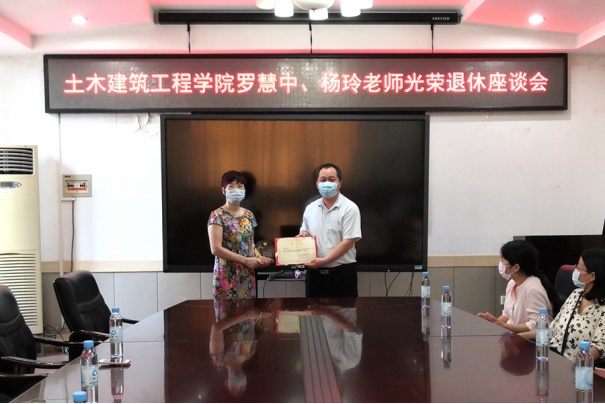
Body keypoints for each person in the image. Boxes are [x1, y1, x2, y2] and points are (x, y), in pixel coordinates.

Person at [519, 249, 605, 362]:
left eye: (578, 268)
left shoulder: (602, 307)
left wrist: (570, 366)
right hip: (552, 355)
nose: (575, 270)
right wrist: (520, 336)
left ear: (592, 276)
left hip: (576, 365)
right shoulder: (576, 294)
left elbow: (600, 347)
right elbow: (552, 329)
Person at [298, 164, 362, 298]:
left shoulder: (350, 208)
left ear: (340, 183)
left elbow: (348, 242)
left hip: (342, 274)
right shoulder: (310, 208)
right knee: (313, 310)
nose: (327, 183)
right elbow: (305, 231)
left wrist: (324, 261)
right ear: (317, 184)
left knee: (345, 310)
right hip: (314, 275)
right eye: (323, 180)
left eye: (332, 179)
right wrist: (304, 235)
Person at [208, 171, 272, 299]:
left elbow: (250, 244)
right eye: (231, 186)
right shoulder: (217, 215)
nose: (236, 190)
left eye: (240, 186)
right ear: (223, 190)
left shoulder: (249, 215)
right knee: (227, 311)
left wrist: (259, 258)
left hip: (247, 276)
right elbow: (215, 249)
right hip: (226, 277)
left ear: (244, 190)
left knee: (249, 310)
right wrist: (245, 261)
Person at [478, 240, 562, 333]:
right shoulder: (512, 283)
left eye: (503, 261)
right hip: (514, 336)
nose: (500, 264)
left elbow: (535, 326)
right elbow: (507, 315)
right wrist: (494, 322)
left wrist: (504, 326)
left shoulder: (533, 288)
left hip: (531, 340)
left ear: (516, 267)